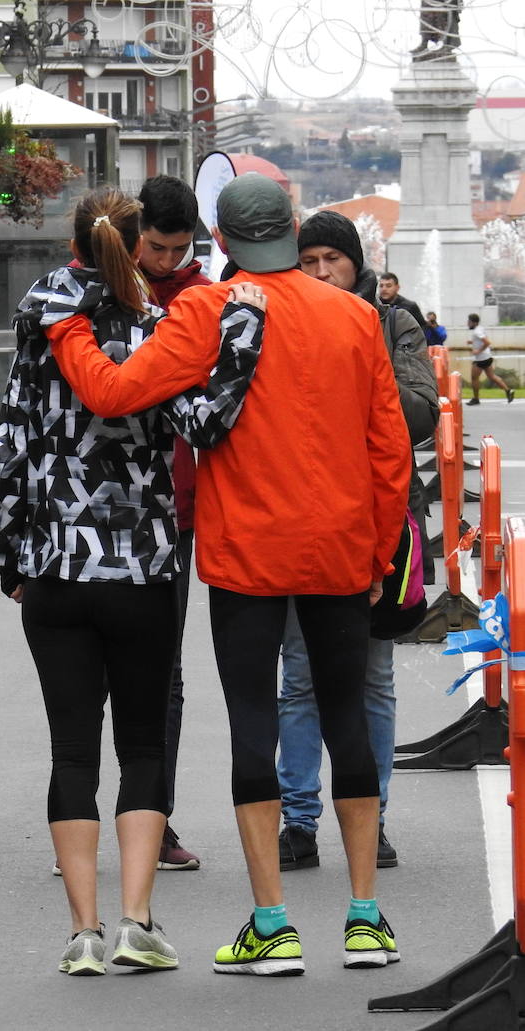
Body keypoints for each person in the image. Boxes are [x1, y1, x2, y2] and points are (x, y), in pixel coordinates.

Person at [50, 173, 410, 976]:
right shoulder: (355, 315)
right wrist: (383, 552)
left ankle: (273, 922)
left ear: (223, 235)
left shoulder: (208, 312)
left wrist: (68, 327)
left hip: (248, 548)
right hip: (344, 544)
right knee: (346, 711)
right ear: (289, 226)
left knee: (253, 716)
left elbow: (113, 390)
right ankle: (364, 915)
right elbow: (387, 446)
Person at [0, 186, 267, 976]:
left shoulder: (39, 324)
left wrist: (14, 556)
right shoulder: (161, 331)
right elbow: (206, 427)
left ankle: (80, 929)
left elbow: (13, 442)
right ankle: (135, 920)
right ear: (137, 245)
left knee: (71, 749)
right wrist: (241, 329)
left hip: (53, 563)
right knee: (143, 741)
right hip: (143, 561)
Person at [278, 210, 439, 875]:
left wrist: (354, 379)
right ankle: (298, 818)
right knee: (298, 678)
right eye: (308, 261)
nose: (320, 274)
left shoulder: (391, 321)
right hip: (297, 520)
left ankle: (373, 815)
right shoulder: (281, 319)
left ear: (356, 264)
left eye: (332, 262)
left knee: (373, 677)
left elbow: (422, 411)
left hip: (377, 521)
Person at [136, 173, 210, 873]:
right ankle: (88, 815)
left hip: (177, 511)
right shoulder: (102, 287)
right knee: (91, 671)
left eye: (178, 248)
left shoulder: (200, 297)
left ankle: (155, 819)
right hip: (102, 506)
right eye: (156, 247)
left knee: (166, 673)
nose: (166, 260)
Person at [466, 313, 513, 405]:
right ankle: (508, 391)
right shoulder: (480, 328)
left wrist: (478, 351)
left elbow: (487, 342)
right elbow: (484, 340)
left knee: (474, 378)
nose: (467, 323)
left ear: (474, 322)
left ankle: (476, 399)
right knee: (492, 376)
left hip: (481, 359)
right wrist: (472, 341)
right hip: (487, 356)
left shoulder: (477, 331)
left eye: (469, 321)